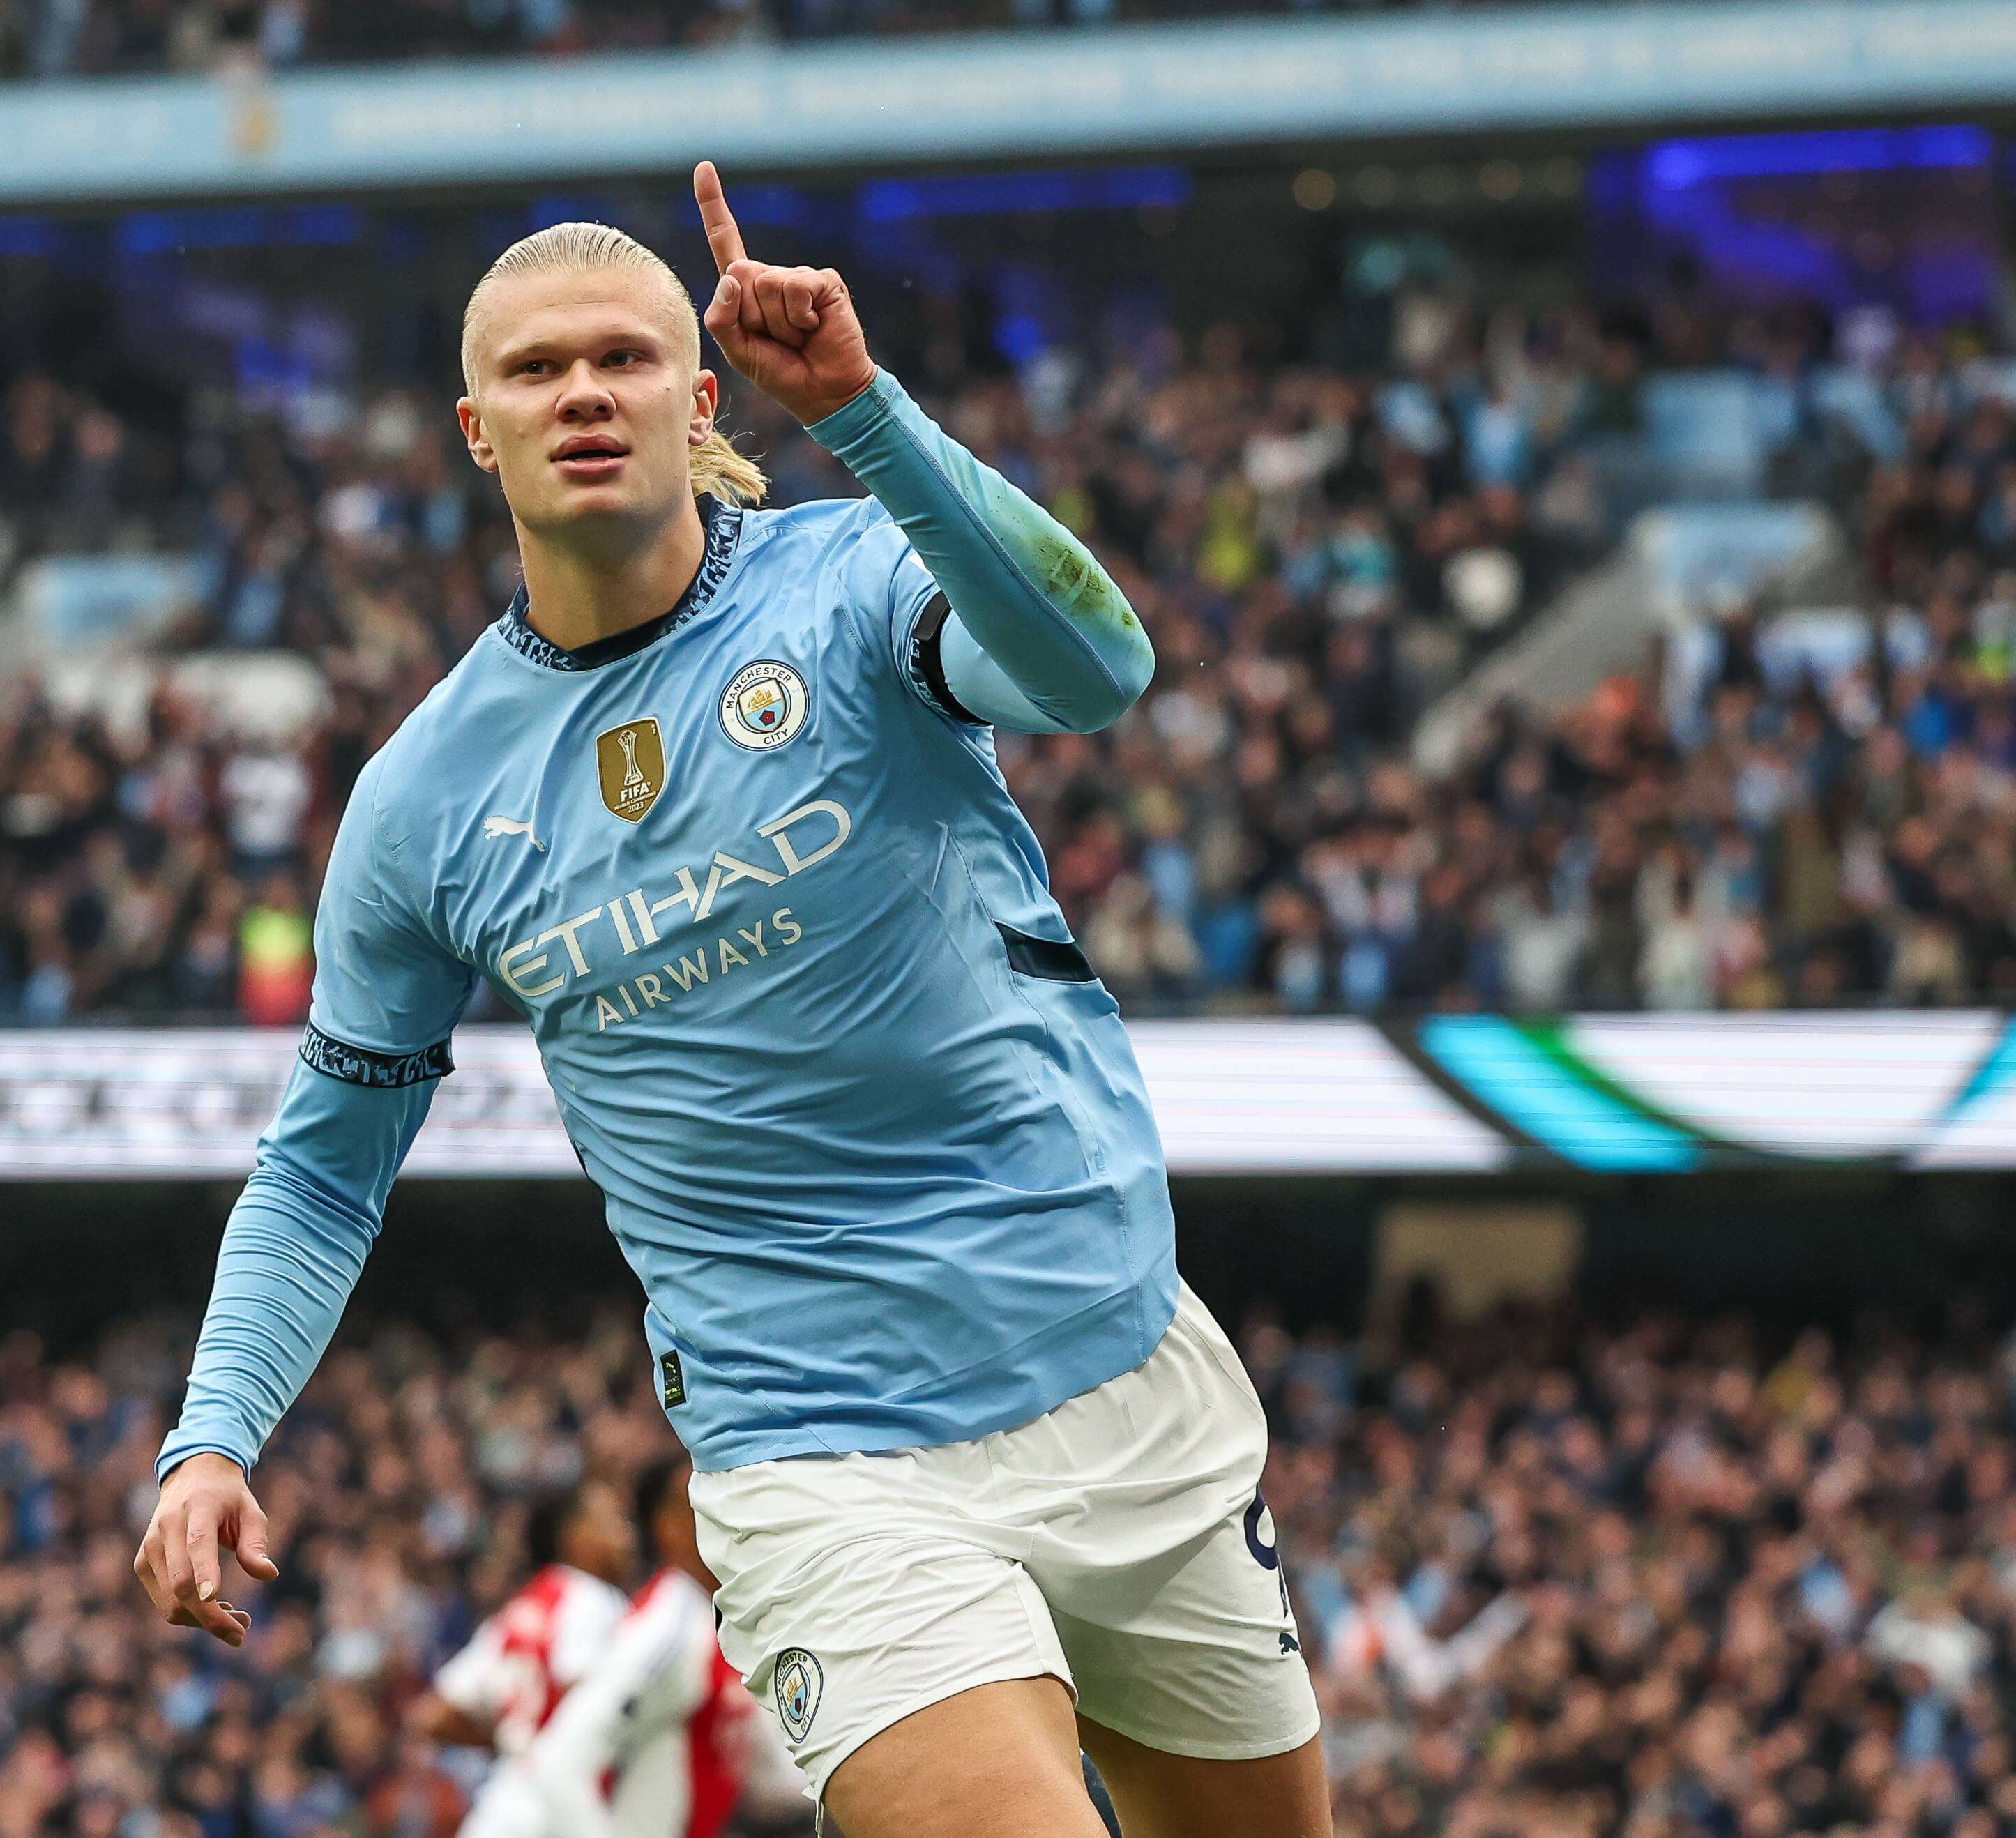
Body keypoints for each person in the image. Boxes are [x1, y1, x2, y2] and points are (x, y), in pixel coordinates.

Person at [135, 159, 1330, 1838]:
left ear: (695, 394)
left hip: (1122, 1370)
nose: (580, 393)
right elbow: (327, 1159)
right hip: (823, 1464)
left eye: (619, 357)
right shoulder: (422, 799)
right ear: (474, 431)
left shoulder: (854, 580)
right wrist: (210, 1433)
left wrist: (864, 410)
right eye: (534, 371)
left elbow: (1097, 671)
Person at [510, 1455, 806, 1838]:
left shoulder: (719, 1621)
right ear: (670, 1527)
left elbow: (773, 1781)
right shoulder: (667, 1633)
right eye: (712, 1494)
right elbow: (556, 1765)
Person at [410, 1479, 638, 1837]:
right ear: (574, 1535)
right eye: (612, 1521)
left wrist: (513, 1739)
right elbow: (578, 1690)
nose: (628, 1535)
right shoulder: (595, 1600)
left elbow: (433, 1714)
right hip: (556, 1813)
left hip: (502, 1806)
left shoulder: (523, 1608)